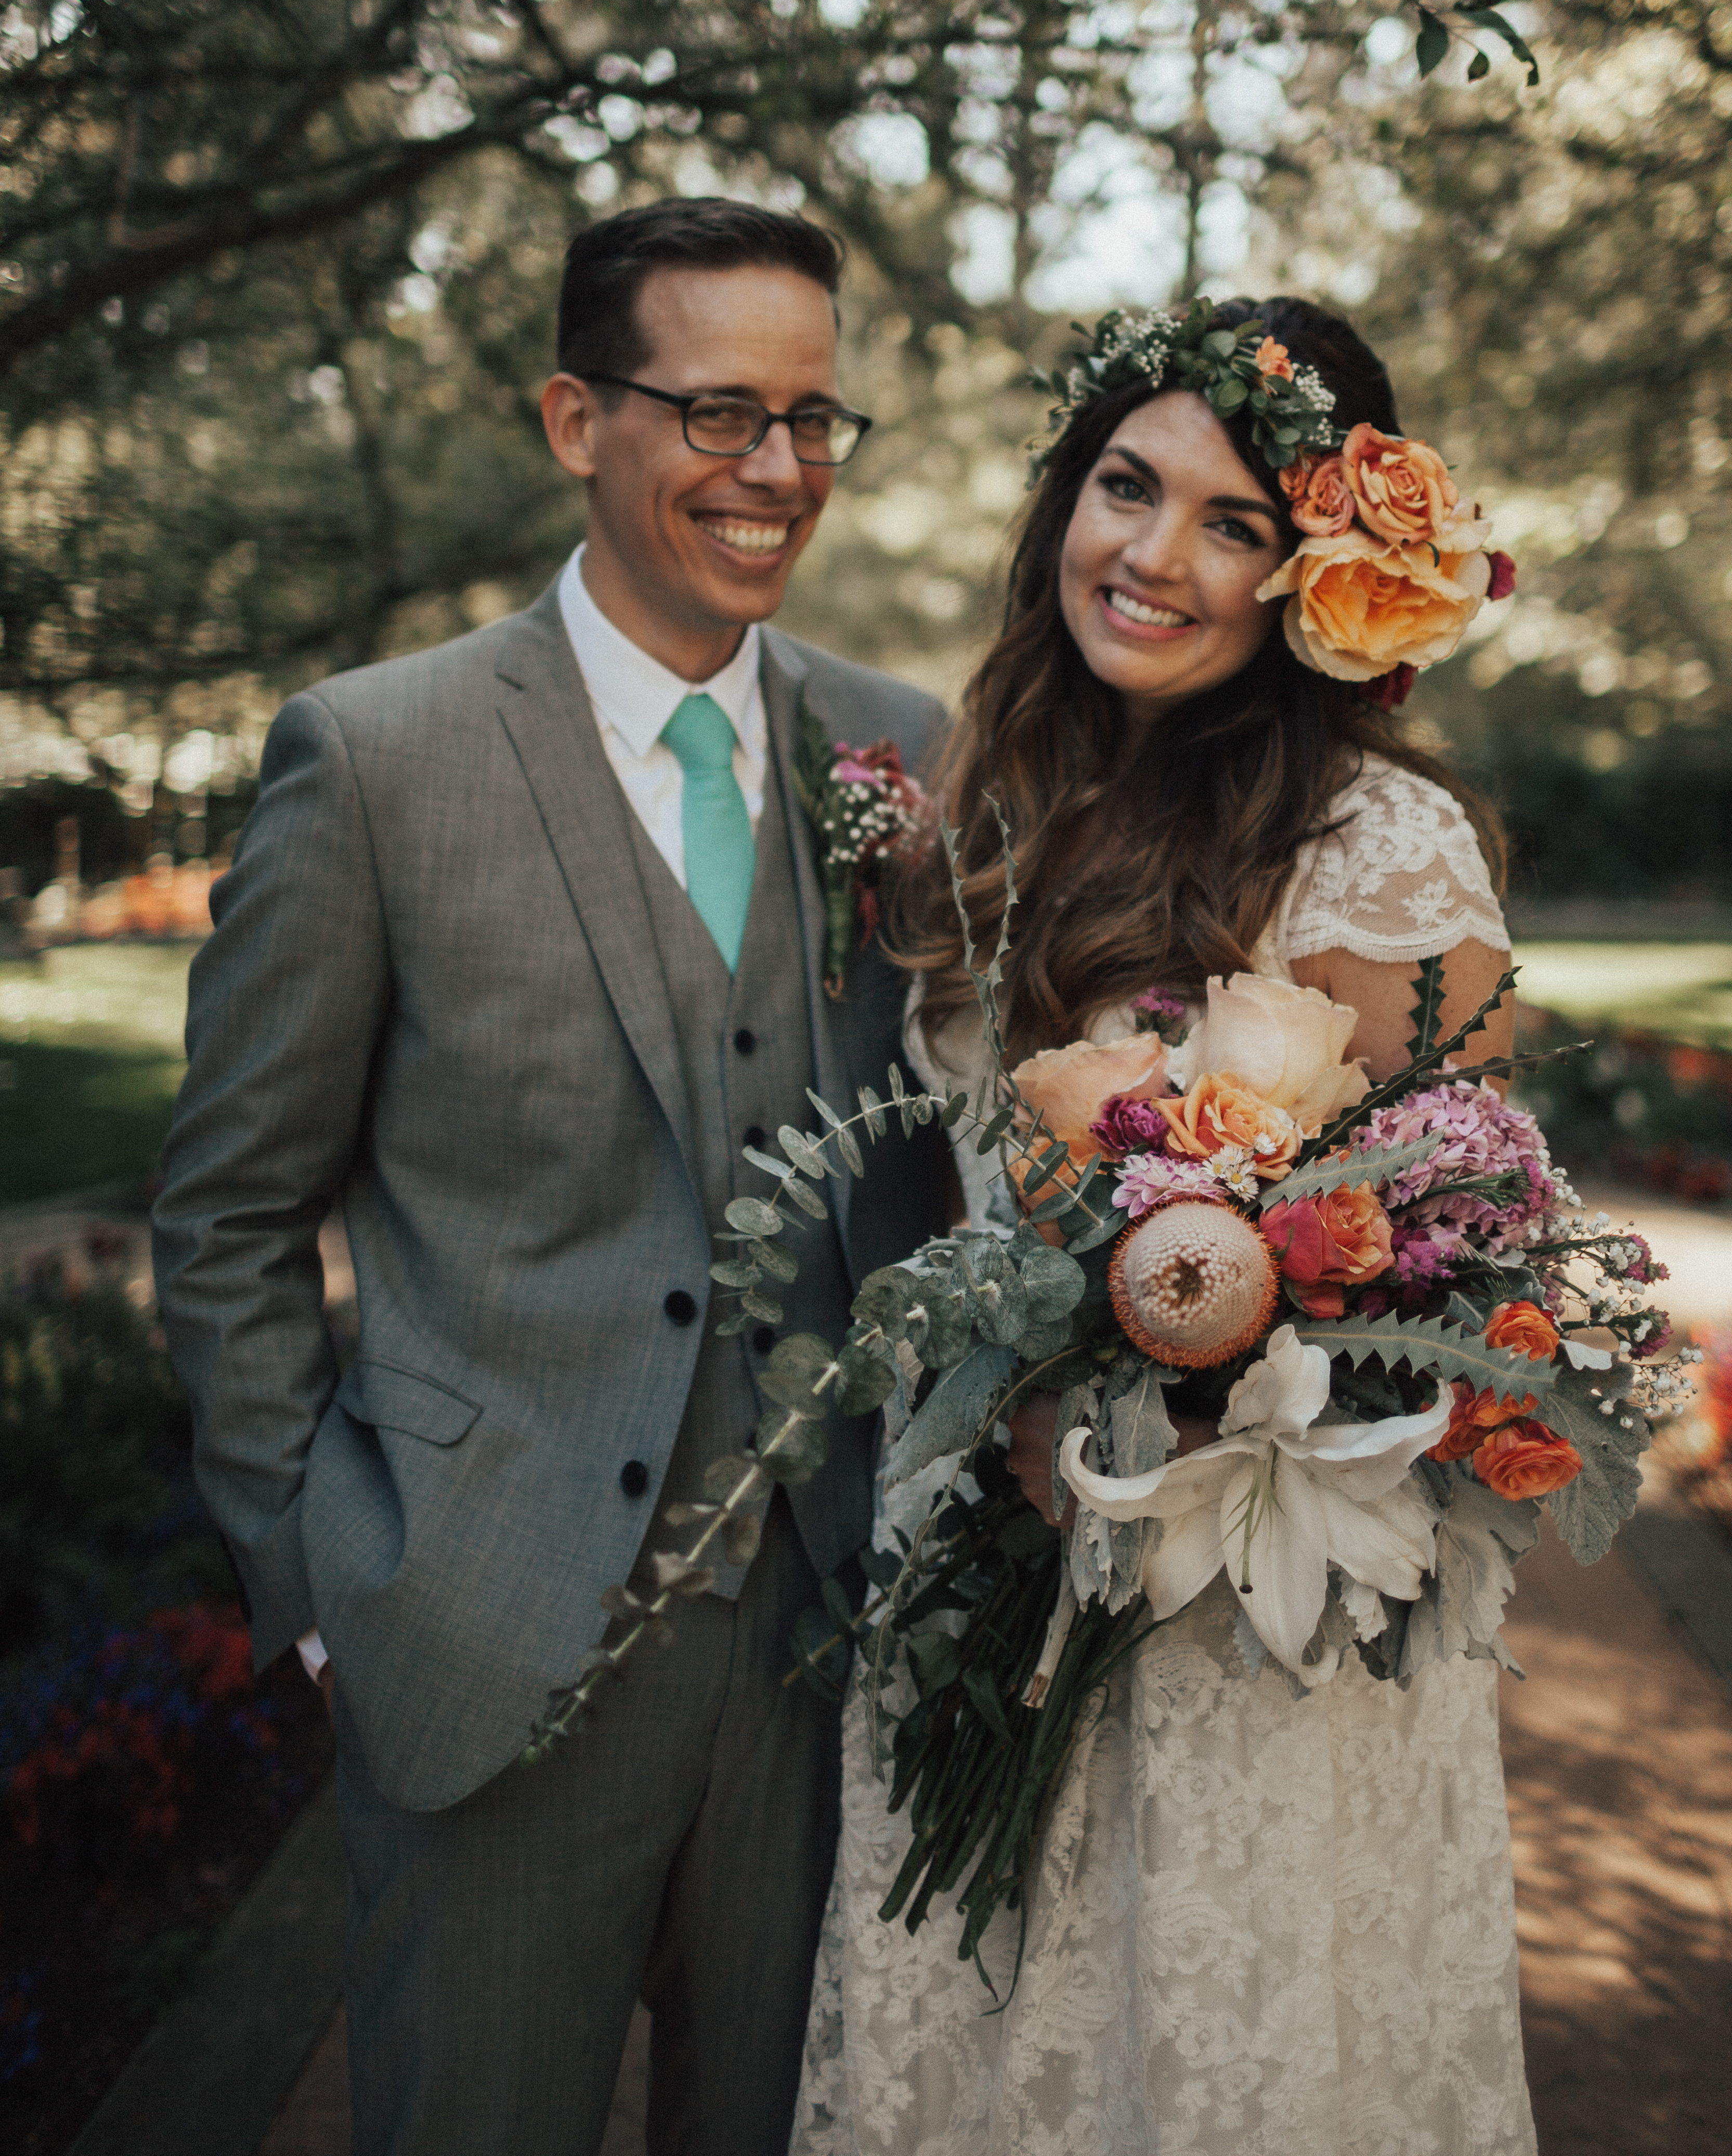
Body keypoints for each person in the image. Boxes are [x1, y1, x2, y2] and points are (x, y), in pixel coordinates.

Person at [152, 199, 955, 2156]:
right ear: (571, 418)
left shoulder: (906, 750)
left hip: (826, 1655)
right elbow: (231, 1214)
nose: (776, 473)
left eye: (814, 420)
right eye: (717, 414)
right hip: (490, 1641)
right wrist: (327, 1583)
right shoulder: (374, 760)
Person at [791, 295, 1531, 2156]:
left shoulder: (1380, 849)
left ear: (1318, 583)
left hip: (1236, 1598)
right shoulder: (989, 802)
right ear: (1064, 498)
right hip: (975, 1540)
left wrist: (1157, 1396)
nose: (1156, 556)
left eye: (1235, 525)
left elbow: (1442, 1264)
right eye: (1129, 487)